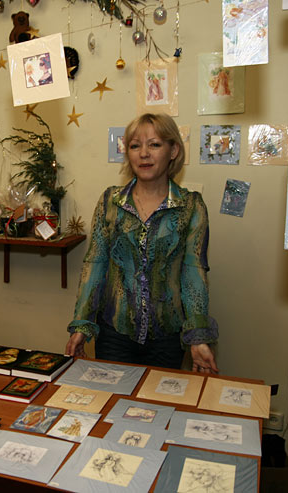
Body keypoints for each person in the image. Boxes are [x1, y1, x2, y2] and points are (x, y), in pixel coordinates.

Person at [65, 113, 219, 373]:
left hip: (168, 339)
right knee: (111, 396)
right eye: (135, 146)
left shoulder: (191, 206)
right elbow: (95, 264)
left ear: (173, 151)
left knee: (157, 398)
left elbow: (193, 273)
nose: (144, 154)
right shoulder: (110, 202)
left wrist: (198, 336)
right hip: (114, 335)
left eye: (155, 144)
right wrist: (82, 322)